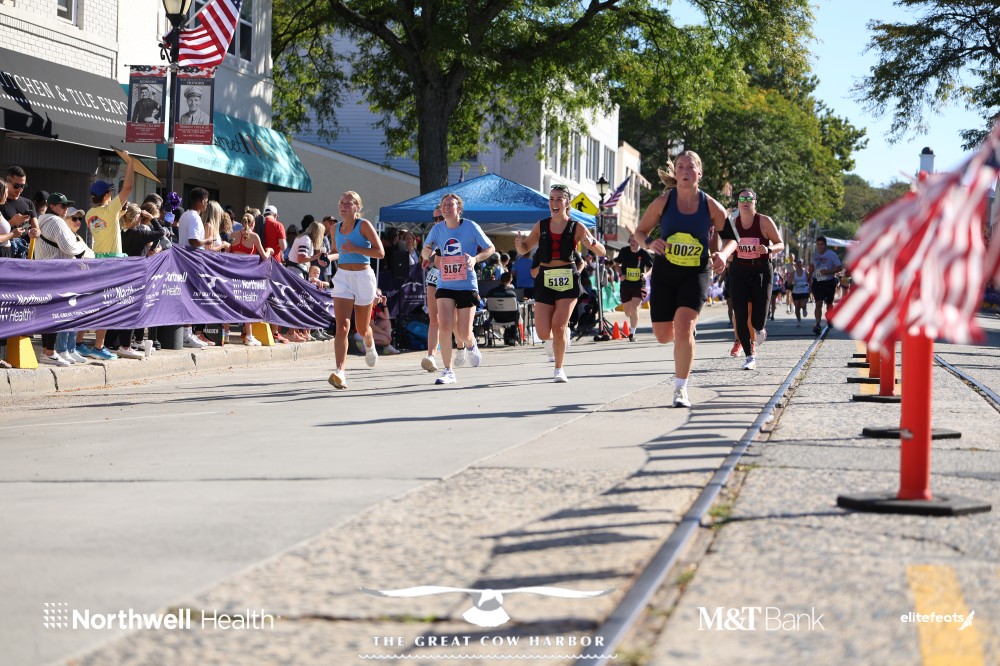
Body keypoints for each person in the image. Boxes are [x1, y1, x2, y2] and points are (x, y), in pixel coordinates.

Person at [633, 152, 735, 407]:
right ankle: (685, 333)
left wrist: (723, 254)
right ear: (675, 172)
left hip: (696, 271)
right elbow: (639, 232)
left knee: (684, 326)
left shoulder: (711, 205)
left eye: (690, 167)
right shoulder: (663, 202)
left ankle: (681, 389)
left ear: (699, 173)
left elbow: (731, 238)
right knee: (663, 335)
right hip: (665, 271)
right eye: (680, 167)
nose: (685, 171)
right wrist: (649, 242)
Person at [514, 184, 605, 383]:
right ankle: (556, 338)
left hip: (567, 278)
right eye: (551, 198)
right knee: (542, 332)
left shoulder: (576, 226)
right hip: (545, 279)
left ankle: (559, 369)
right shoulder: (541, 225)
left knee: (559, 325)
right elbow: (525, 249)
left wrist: (591, 243)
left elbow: (602, 251)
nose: (554, 202)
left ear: (567, 202)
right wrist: (519, 245)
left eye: (559, 199)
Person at [420, 193, 495, 385]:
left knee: (463, 332)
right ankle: (448, 370)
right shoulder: (437, 229)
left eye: (450, 204)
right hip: (445, 283)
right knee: (444, 325)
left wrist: (475, 259)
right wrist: (426, 253)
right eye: (443, 205)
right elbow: (426, 251)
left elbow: (490, 248)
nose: (445, 207)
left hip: (466, 283)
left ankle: (471, 344)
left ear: (459, 209)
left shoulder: (471, 226)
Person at [327, 191, 385, 389]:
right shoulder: (334, 228)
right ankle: (340, 372)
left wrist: (356, 249)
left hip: (363, 277)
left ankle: (369, 343)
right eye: (341, 202)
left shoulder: (364, 225)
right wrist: (326, 258)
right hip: (343, 277)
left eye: (348, 203)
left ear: (357, 207)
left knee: (361, 328)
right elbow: (337, 252)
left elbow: (380, 252)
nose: (343, 206)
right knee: (342, 326)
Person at [725, 188, 784, 370]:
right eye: (742, 199)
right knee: (740, 315)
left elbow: (780, 244)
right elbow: (726, 248)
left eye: (749, 199)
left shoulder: (764, 221)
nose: (745, 202)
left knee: (758, 319)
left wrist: (768, 249)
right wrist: (726, 256)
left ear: (755, 202)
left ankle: (759, 328)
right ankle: (749, 356)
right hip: (739, 271)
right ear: (737, 203)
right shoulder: (732, 224)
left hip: (761, 271)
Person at [35, 193, 92, 366]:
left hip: (46, 273)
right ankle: (51, 352)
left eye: (67, 205)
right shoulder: (56, 221)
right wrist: (82, 246)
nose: (66, 208)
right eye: (62, 205)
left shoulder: (42, 220)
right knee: (57, 315)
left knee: (50, 315)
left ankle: (50, 351)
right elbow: (68, 247)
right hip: (57, 274)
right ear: (52, 206)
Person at [228, 213, 273, 346]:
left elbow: (228, 254)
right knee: (248, 302)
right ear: (253, 223)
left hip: (233, 273)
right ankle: (249, 335)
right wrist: (270, 251)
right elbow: (264, 256)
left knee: (229, 302)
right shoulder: (254, 236)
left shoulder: (233, 235)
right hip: (247, 274)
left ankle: (226, 334)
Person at [420, 207, 445, 373]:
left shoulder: (460, 230)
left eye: (440, 218)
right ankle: (431, 356)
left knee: (454, 322)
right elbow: (425, 252)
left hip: (454, 277)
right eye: (435, 219)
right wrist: (426, 256)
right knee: (434, 318)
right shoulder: (435, 233)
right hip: (436, 275)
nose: (437, 221)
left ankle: (463, 345)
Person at [616, 234, 653, 341]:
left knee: (635, 308)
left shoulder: (644, 253)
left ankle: (632, 334)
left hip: (639, 284)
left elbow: (651, 267)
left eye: (635, 240)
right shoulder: (624, 251)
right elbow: (617, 264)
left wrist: (646, 275)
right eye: (631, 240)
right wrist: (620, 274)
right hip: (626, 284)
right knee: (628, 312)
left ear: (640, 242)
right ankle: (632, 317)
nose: (632, 243)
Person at [809, 235, 842, 335]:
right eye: (818, 244)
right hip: (817, 282)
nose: (820, 246)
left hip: (829, 282)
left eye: (822, 244)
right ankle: (818, 324)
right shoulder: (814, 255)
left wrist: (828, 272)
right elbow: (811, 266)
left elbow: (839, 267)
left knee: (829, 304)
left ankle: (829, 318)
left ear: (825, 245)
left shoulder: (832, 255)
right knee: (818, 303)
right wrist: (809, 276)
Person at [486, 271, 520, 345]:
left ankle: (490, 338)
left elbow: (487, 307)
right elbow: (517, 311)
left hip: (496, 317)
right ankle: (513, 338)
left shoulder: (491, 292)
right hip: (510, 318)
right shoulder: (512, 294)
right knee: (517, 314)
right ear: (510, 280)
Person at [370, 289, 401, 354]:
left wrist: (384, 303)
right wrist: (385, 333)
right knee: (386, 340)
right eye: (378, 295)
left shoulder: (375, 307)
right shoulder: (370, 307)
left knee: (387, 322)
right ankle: (365, 344)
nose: (379, 298)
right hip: (361, 333)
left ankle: (387, 347)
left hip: (370, 330)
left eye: (381, 296)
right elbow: (372, 326)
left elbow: (387, 317)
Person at [790, 258, 811, 325]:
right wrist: (789, 283)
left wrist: (810, 286)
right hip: (796, 291)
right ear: (796, 264)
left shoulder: (805, 272)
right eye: (798, 262)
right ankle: (799, 320)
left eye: (800, 262)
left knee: (802, 304)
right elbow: (789, 281)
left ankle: (804, 308)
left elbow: (810, 280)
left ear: (803, 263)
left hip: (805, 291)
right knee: (797, 307)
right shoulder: (793, 273)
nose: (799, 263)